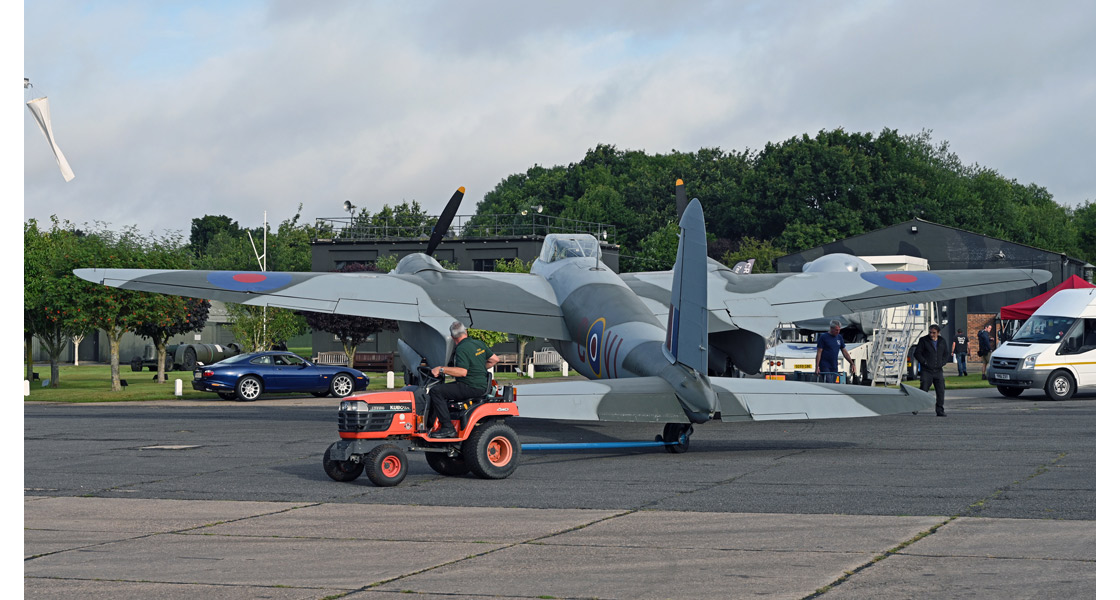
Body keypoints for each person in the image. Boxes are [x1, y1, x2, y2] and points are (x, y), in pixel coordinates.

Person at [427, 321, 499, 438]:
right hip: (482, 386)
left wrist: (441, 369)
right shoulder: (478, 343)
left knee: (436, 391)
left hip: (470, 386)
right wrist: (478, 368)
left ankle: (447, 428)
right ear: (465, 332)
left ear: (452, 337)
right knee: (446, 389)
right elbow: (494, 360)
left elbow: (462, 372)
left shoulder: (461, 349)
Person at [915, 324, 952, 417]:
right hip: (927, 370)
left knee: (940, 390)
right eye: (930, 332)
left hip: (938, 370)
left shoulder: (942, 341)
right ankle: (916, 407)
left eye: (934, 333)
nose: (932, 334)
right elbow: (917, 353)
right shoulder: (923, 340)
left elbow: (946, 353)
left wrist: (942, 362)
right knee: (923, 389)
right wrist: (924, 362)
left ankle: (940, 410)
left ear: (938, 333)